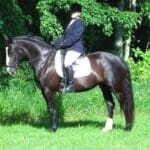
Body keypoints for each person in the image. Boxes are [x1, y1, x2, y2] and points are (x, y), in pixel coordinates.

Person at [52, 3, 85, 92]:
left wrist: (62, 44)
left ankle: (70, 85)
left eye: (74, 11)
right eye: (72, 11)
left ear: (79, 13)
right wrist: (55, 42)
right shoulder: (71, 23)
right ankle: (61, 82)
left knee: (67, 62)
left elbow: (74, 38)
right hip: (68, 48)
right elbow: (65, 37)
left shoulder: (79, 23)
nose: (72, 13)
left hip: (75, 48)